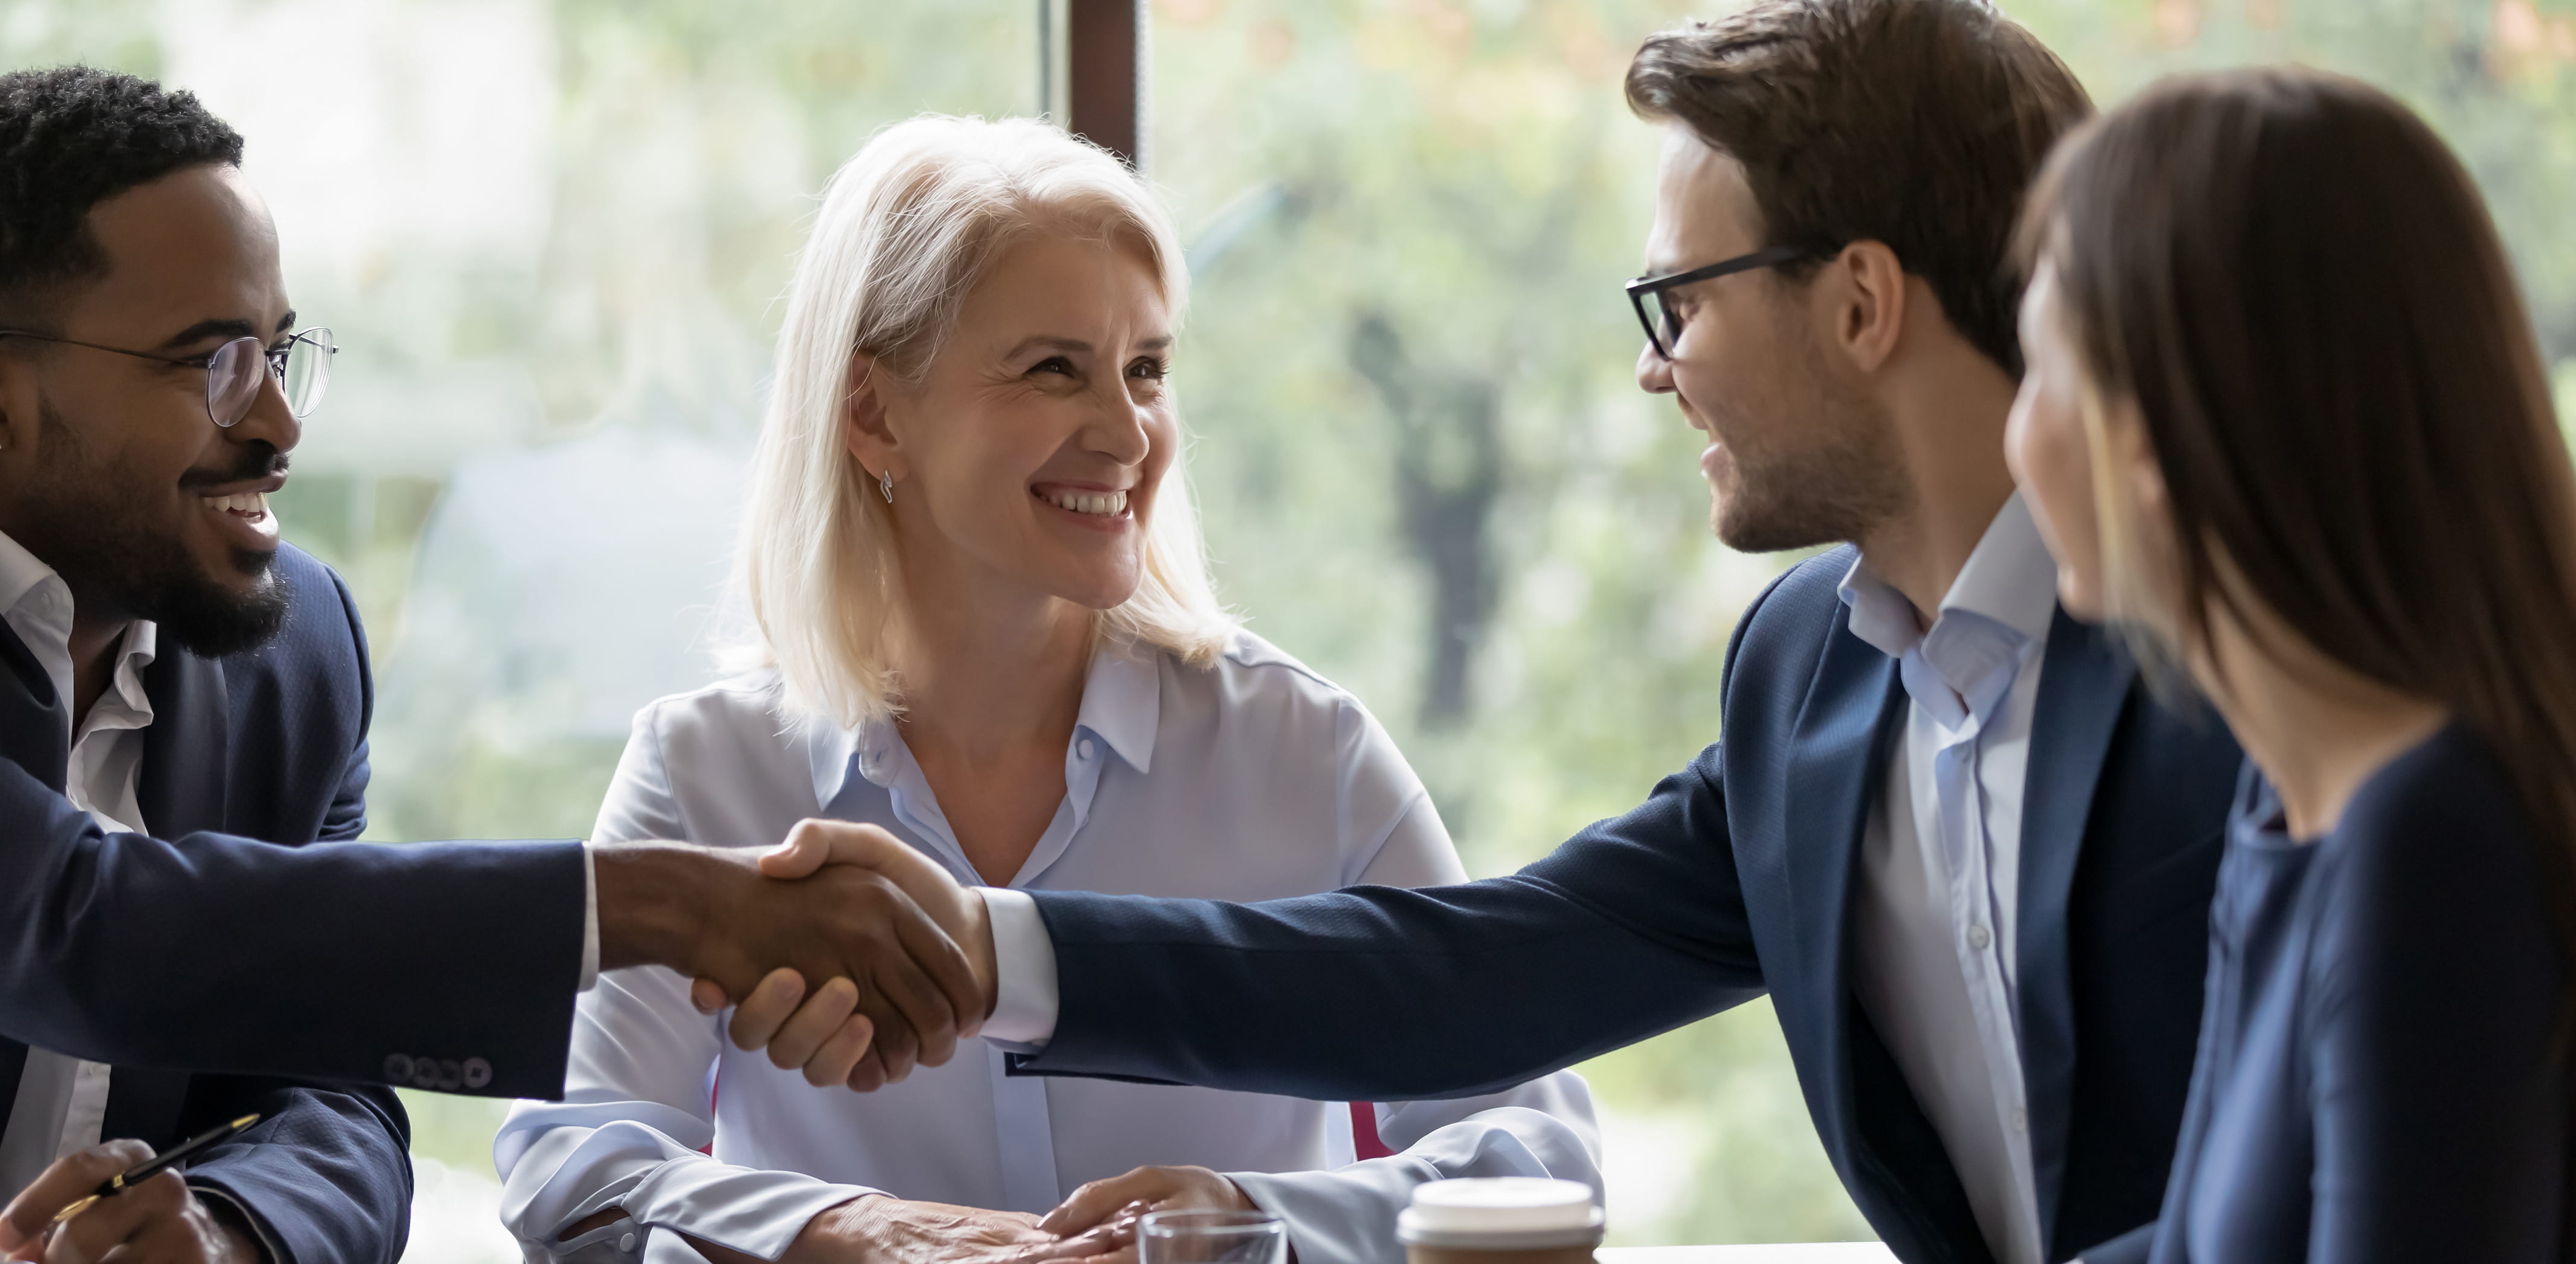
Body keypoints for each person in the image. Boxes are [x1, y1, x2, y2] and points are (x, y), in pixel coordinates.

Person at [734, 5, 2247, 1263]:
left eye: (1679, 302)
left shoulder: (2262, 652)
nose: (1660, 374)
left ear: (1859, 304)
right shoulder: (1810, 679)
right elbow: (1468, 975)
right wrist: (969, 945)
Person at [0, 69, 980, 1264]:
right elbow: (73, 928)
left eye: (285, 351)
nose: (281, 424)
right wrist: (668, 906)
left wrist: (231, 1228)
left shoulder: (288, 644)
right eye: (213, 360)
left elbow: (334, 1095)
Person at [490, 115, 1601, 1264]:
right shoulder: (707, 772)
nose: (1128, 433)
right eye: (1053, 369)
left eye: (1148, 371)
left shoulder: (1304, 754)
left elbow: (1536, 1146)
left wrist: (1258, 1224)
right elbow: (577, 1162)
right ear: (873, 413)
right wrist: (850, 1230)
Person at [2005, 67, 2574, 1263]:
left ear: (2149, 438)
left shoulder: (2434, 839)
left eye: (2038, 370)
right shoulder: (2296, 794)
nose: (2017, 437)